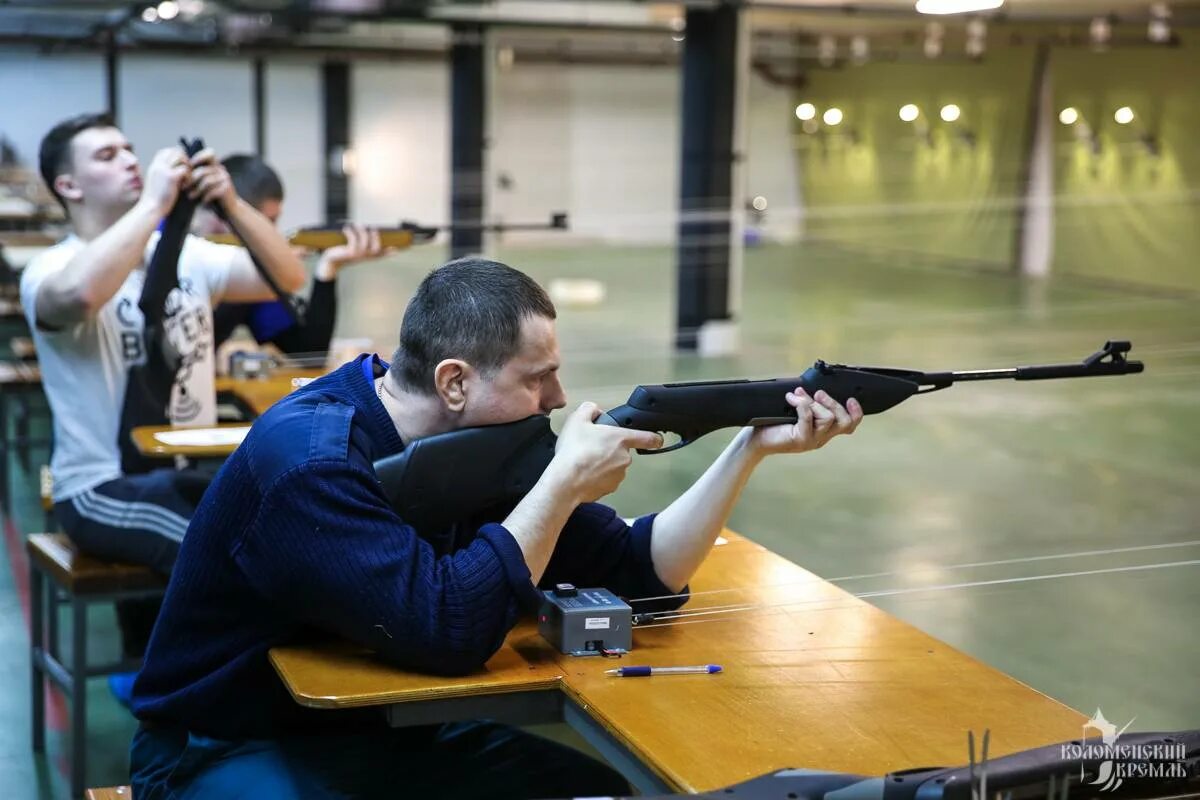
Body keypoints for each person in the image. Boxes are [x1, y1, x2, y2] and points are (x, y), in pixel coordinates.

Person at [129, 258, 864, 799]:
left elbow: (640, 572)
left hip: (358, 734)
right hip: (212, 751)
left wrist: (747, 451)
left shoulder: (473, 448)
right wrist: (560, 485)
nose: (558, 396)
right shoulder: (313, 462)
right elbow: (447, 628)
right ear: (454, 381)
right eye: (535, 378)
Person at [20, 113, 306, 660]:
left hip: (184, 472)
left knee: (291, 523)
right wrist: (154, 205)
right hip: (100, 487)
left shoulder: (190, 258)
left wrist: (230, 204)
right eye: (106, 155)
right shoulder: (51, 268)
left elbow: (289, 277)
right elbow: (78, 298)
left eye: (128, 149)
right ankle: (196, 707)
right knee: (213, 550)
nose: (128, 159)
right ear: (68, 186)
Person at [194, 154, 387, 355]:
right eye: (264, 224)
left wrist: (328, 268)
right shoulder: (170, 245)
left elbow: (308, 350)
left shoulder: (254, 278)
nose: (273, 235)